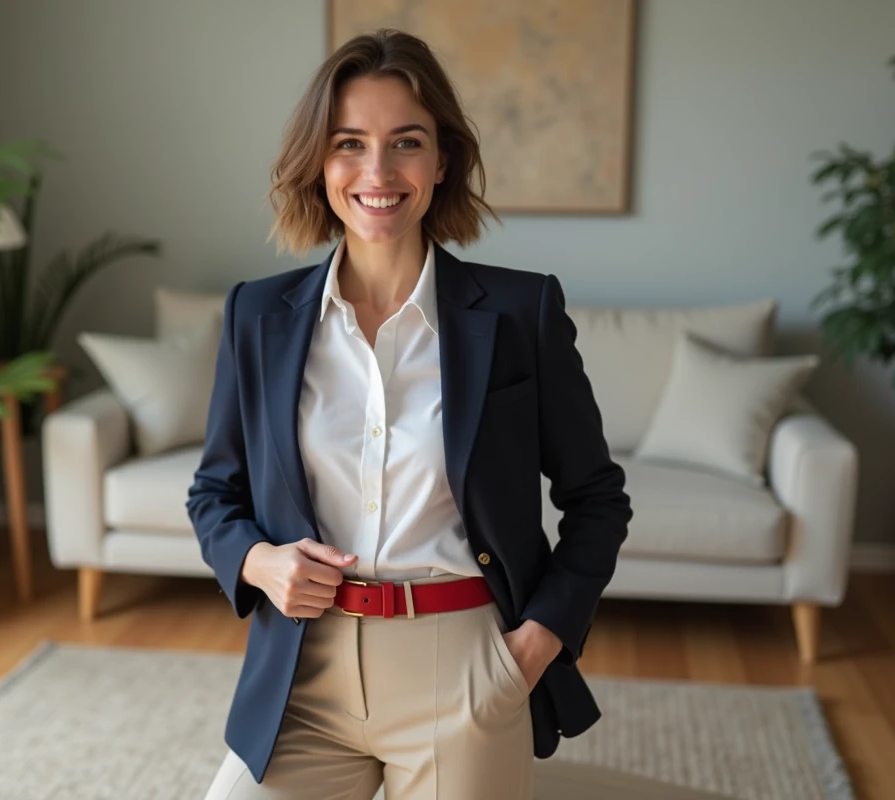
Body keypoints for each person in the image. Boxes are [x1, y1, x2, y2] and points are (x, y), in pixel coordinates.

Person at [187, 28, 632, 800]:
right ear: (318, 162)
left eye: (407, 143)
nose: (378, 172)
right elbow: (213, 496)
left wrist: (532, 646)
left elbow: (597, 497)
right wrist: (262, 563)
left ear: (443, 160)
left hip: (463, 667)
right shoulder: (256, 316)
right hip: (304, 670)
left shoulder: (520, 313)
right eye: (349, 143)